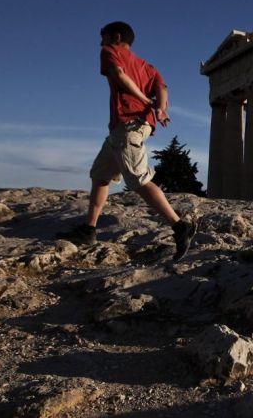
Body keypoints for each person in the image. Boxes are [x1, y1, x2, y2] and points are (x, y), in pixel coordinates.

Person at [58, 21, 196, 260]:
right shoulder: (147, 66)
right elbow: (162, 87)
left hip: (128, 125)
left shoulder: (110, 51)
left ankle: (180, 226)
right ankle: (89, 229)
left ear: (116, 36)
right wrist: (160, 109)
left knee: (139, 180)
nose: (100, 41)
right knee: (100, 175)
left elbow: (120, 75)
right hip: (121, 130)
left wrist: (144, 101)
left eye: (103, 36)